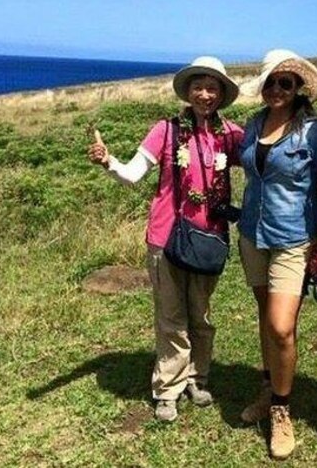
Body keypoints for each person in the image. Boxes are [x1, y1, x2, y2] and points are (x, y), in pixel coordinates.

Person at [87, 56, 243, 423]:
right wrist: (109, 161)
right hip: (165, 237)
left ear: (221, 94)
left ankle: (197, 376)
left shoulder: (231, 134)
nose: (205, 94)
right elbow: (132, 174)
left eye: (212, 87)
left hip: (209, 239)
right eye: (198, 86)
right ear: (188, 91)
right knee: (171, 316)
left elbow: (263, 163)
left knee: (201, 316)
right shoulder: (166, 130)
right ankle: (168, 388)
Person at [237, 50, 317, 460]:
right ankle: (269, 384)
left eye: (286, 83)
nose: (277, 90)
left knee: (280, 325)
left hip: (293, 236)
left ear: (299, 89)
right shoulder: (253, 124)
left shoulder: (315, 130)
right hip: (252, 234)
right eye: (271, 83)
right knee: (265, 316)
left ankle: (281, 409)